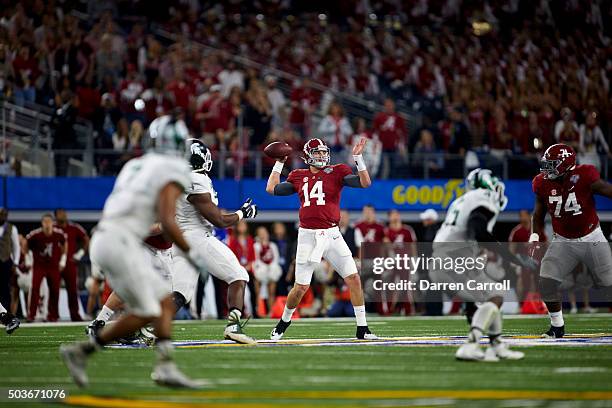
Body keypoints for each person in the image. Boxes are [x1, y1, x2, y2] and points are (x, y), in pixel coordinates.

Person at [59, 111, 208, 388]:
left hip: (104, 237)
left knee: (160, 304)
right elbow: (167, 220)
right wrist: (193, 253)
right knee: (153, 308)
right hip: (122, 242)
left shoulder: (135, 165)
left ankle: (158, 364)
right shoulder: (171, 168)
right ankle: (84, 351)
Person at [265, 137, 377, 340]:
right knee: (300, 287)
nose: (322, 156)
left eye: (324, 152)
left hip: (332, 234)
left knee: (353, 278)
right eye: (317, 153)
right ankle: (283, 322)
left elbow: (364, 182)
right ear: (308, 156)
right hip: (308, 236)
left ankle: (363, 328)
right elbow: (272, 189)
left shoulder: (337, 171)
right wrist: (279, 162)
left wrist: (358, 158)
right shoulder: (298, 175)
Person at [432, 168, 531, 361]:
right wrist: (512, 257)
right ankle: (472, 344)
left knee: (488, 297)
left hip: (443, 259)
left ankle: (496, 345)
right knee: (495, 296)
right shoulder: (482, 196)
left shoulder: (461, 200)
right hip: (455, 259)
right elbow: (478, 229)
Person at [172, 139, 258, 344]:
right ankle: (233, 326)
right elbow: (218, 220)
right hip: (197, 238)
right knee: (238, 276)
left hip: (181, 239)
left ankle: (147, 327)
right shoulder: (195, 179)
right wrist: (242, 213)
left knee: (180, 294)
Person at [530, 144, 612, 338]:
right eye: (546, 164)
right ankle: (557, 327)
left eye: (552, 164)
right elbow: (538, 215)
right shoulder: (542, 183)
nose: (547, 169)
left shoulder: (584, 175)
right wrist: (534, 238)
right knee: (546, 282)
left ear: (566, 164)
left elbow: (609, 190)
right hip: (563, 241)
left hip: (592, 237)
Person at [25, 214, 67, 322]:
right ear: (42, 223)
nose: (47, 224)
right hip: (39, 265)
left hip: (53, 266)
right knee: (35, 288)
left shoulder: (58, 234)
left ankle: (53, 315)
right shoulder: (36, 234)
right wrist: (27, 258)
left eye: (49, 221)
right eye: (45, 222)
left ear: (52, 222)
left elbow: (64, 243)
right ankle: (32, 315)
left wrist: (63, 260)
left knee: (55, 290)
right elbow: (25, 243)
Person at [54, 209, 89, 321]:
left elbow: (86, 239)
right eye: (60, 213)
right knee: (54, 290)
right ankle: (53, 315)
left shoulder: (74, 227)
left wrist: (80, 254)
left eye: (64, 213)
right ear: (55, 215)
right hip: (55, 264)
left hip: (70, 263)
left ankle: (75, 315)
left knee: (73, 290)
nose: (63, 215)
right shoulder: (52, 228)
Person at [253, 226, 282, 316]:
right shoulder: (256, 246)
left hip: (271, 270)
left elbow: (276, 258)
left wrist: (271, 268)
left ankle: (271, 312)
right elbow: (256, 258)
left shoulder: (273, 245)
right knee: (257, 292)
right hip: (260, 270)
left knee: (271, 292)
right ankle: (259, 311)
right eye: (260, 233)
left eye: (264, 233)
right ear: (257, 235)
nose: (263, 235)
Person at [0, 208, 20, 312]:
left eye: (4, 215)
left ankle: (5, 314)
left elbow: (16, 246)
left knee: (5, 288)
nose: (2, 216)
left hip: (5, 261)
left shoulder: (12, 228)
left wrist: (15, 263)